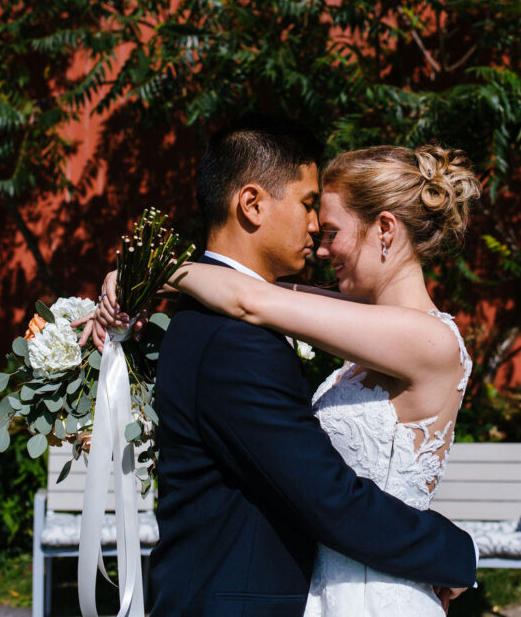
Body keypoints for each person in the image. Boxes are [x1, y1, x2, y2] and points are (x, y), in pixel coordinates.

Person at [94, 115, 477, 616]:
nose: (319, 240)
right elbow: (255, 294)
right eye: (310, 208)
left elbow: (253, 299)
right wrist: (132, 277)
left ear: (385, 229)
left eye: (332, 227)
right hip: (323, 586)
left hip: (376, 590)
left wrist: (162, 269)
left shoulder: (427, 338)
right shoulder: (350, 325)